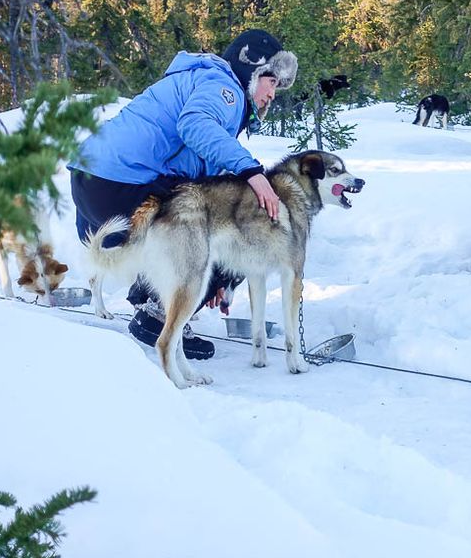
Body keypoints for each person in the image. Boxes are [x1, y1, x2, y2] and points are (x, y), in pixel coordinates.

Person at [68, 29, 298, 359]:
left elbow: (195, 170)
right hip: (122, 184)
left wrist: (214, 274)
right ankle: (159, 315)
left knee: (205, 210)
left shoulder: (198, 78)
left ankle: (153, 297)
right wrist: (253, 172)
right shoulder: (225, 89)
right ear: (252, 68)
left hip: (92, 185)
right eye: (271, 81)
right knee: (230, 222)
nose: (273, 94)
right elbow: (194, 124)